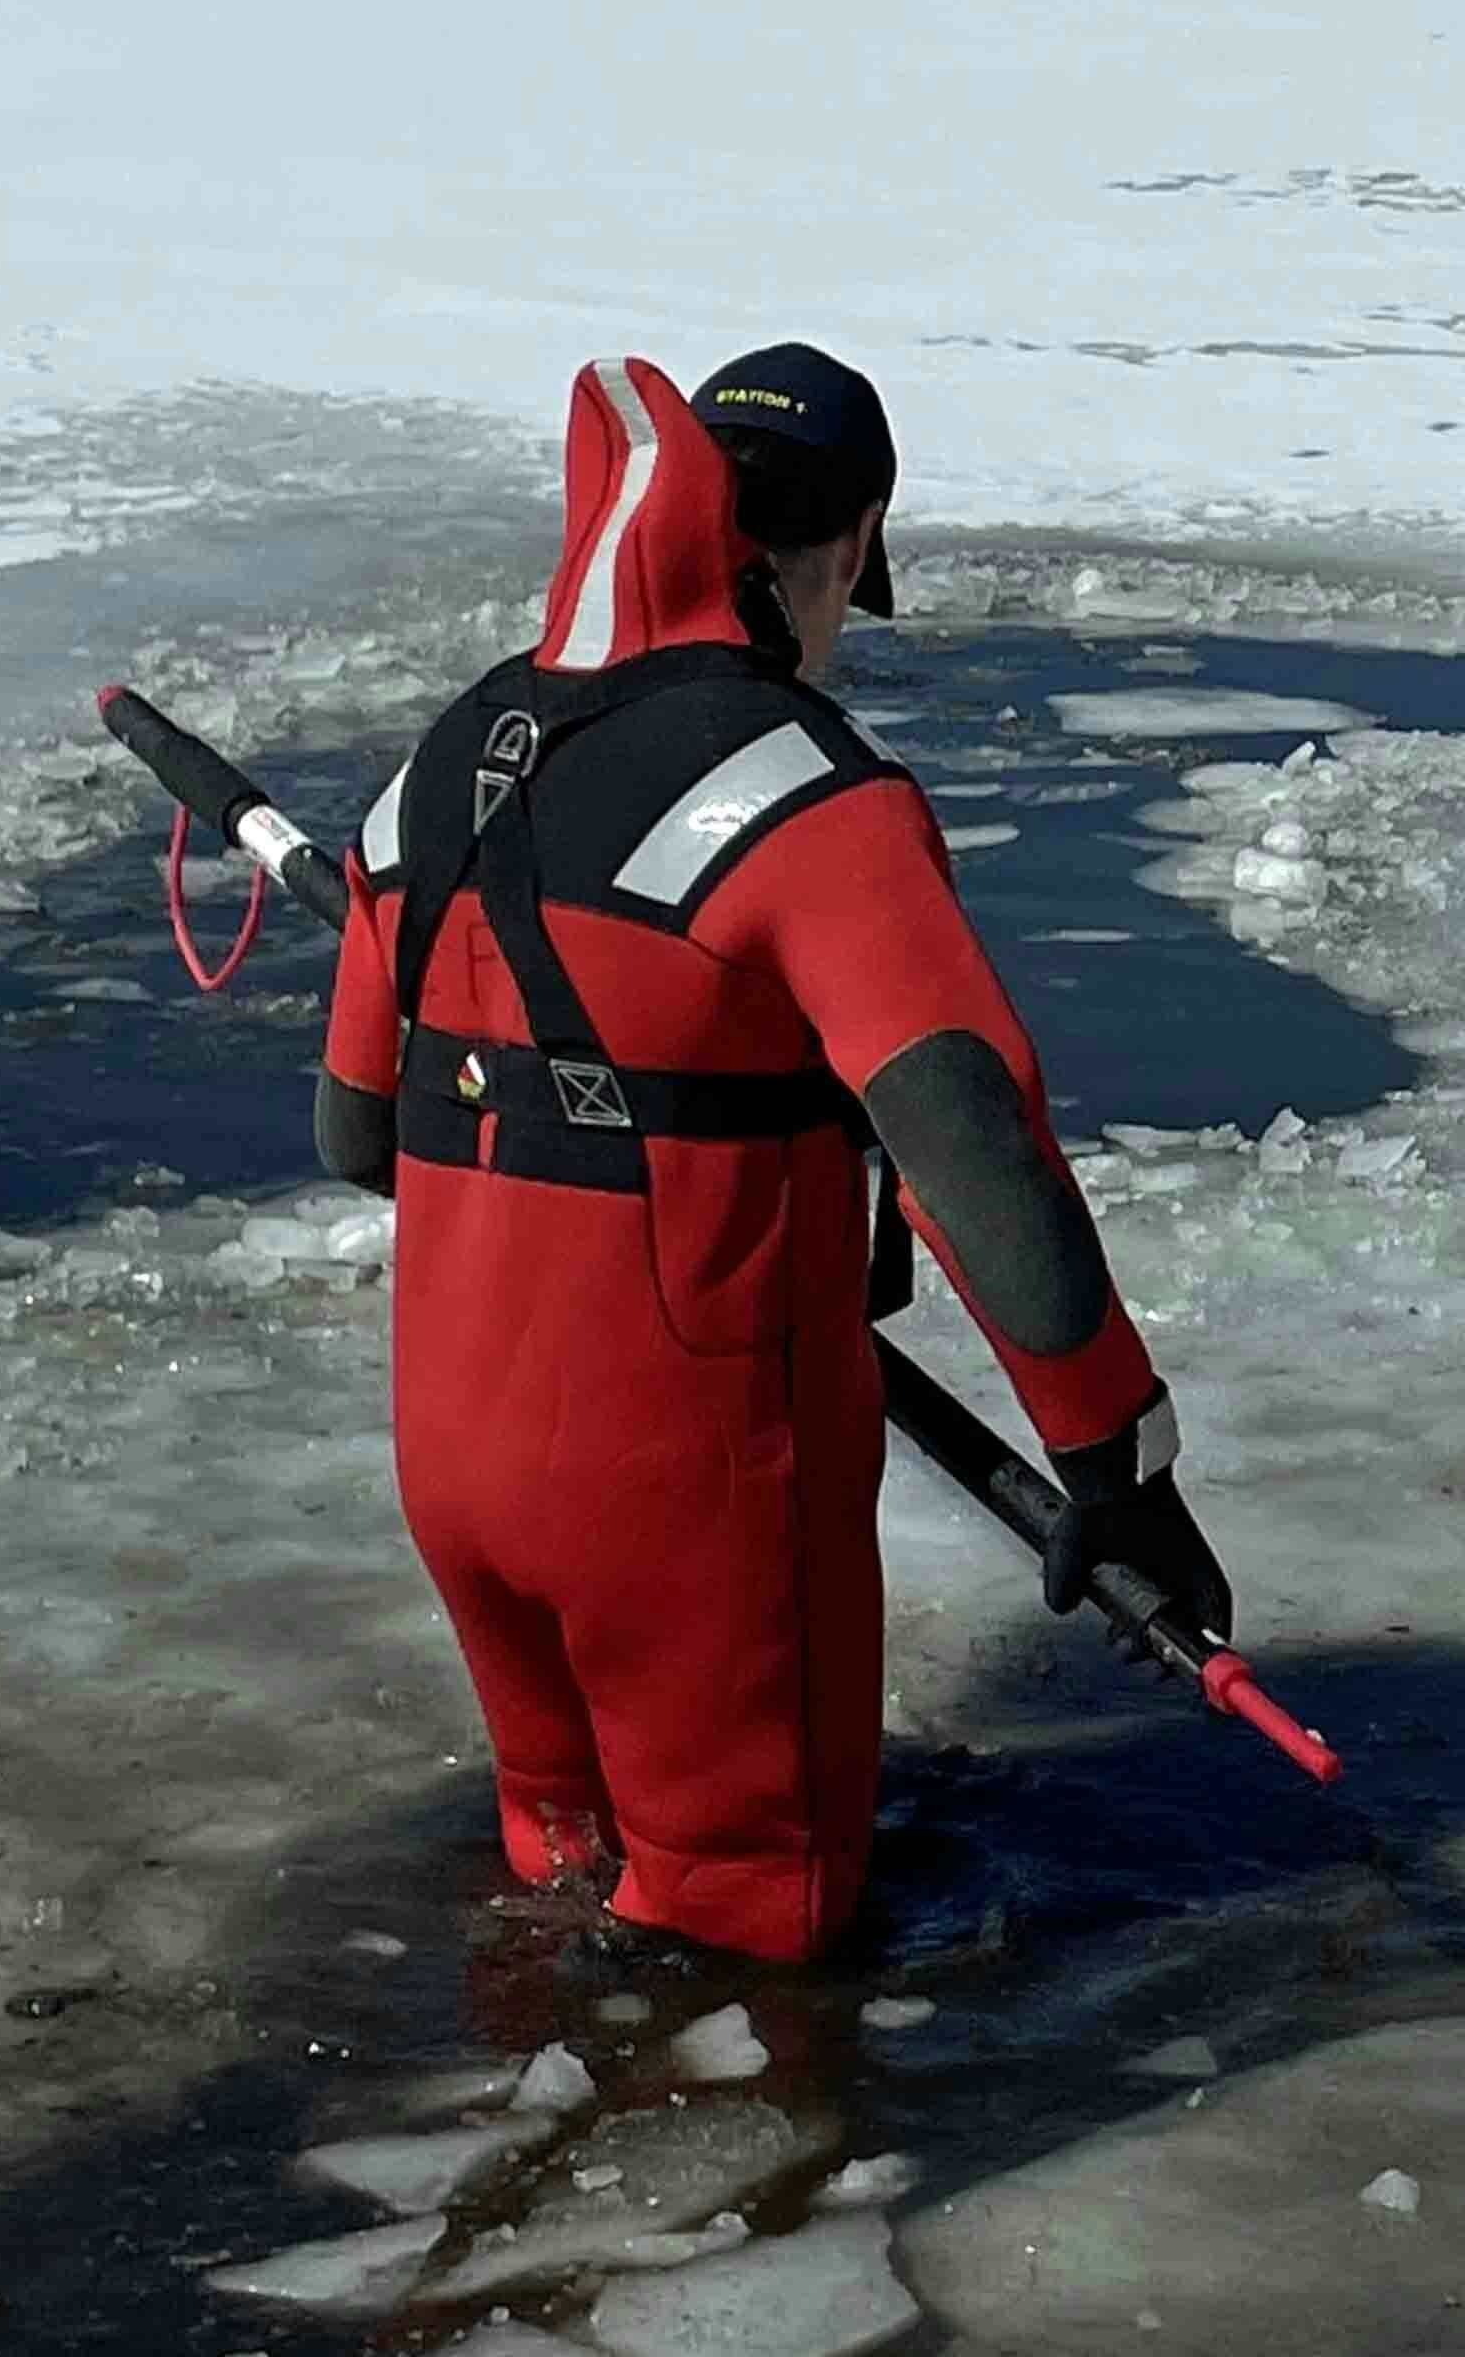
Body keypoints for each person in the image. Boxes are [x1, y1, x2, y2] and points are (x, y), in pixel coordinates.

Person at [311, 344, 1231, 1962]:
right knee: (750, 1937)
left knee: (560, 1882)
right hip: (688, 1482)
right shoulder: (810, 800)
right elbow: (969, 1145)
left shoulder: (442, 762)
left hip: (453, 1459)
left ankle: (512, 2160)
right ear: (854, 541)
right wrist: (1117, 1467)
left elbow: (356, 1132)